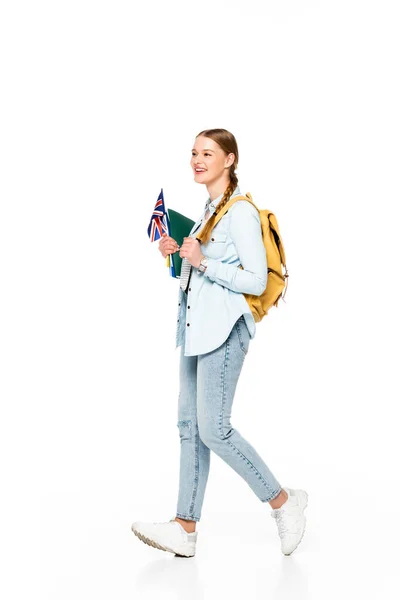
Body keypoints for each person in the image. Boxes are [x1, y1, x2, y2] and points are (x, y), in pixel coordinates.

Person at [132, 128, 308, 557]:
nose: (197, 159)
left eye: (207, 153)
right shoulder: (210, 210)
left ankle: (284, 502)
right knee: (189, 428)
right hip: (195, 329)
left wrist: (203, 261)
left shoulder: (241, 212)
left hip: (225, 330)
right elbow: (200, 273)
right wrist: (178, 256)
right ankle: (184, 528)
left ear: (229, 160)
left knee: (215, 429)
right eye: (194, 152)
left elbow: (256, 278)